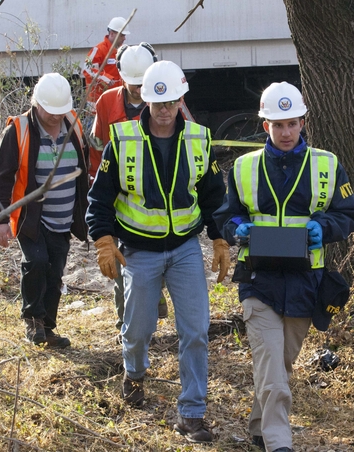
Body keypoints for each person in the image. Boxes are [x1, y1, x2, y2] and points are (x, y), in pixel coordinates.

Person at [86, 60, 230, 443]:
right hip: (139, 251)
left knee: (196, 331)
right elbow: (99, 199)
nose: (165, 111)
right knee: (137, 330)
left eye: (171, 103)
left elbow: (215, 197)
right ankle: (134, 374)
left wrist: (219, 239)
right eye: (157, 103)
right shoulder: (122, 140)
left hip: (184, 248)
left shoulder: (200, 139)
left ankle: (192, 414)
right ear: (145, 101)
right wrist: (103, 240)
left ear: (181, 100)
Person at [213, 82, 354, 452]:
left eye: (292, 124)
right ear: (265, 126)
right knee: (274, 375)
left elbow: (349, 214)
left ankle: (258, 430)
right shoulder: (244, 167)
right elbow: (225, 215)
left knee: (280, 367)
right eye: (277, 125)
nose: (285, 132)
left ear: (303, 123)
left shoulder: (327, 164)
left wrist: (323, 228)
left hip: (305, 282)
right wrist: (236, 229)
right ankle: (279, 443)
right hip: (257, 282)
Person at [88, 42, 194, 330]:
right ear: (121, 75)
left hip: (162, 198)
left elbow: (188, 142)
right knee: (125, 266)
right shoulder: (107, 102)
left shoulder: (170, 100)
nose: (136, 89)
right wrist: (99, 181)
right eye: (132, 84)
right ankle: (128, 324)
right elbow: (97, 145)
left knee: (158, 259)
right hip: (121, 196)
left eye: (141, 84)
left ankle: (152, 297)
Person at [0, 73, 90, 348]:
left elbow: (84, 171)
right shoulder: (18, 130)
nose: (57, 116)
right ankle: (32, 319)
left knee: (55, 272)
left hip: (64, 218)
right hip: (31, 218)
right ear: (37, 104)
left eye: (62, 111)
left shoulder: (73, 125)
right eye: (51, 111)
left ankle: (47, 327)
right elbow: (2, 178)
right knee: (36, 262)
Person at [83, 16, 129, 110]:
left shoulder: (123, 51)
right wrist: (107, 79)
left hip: (117, 99)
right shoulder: (98, 50)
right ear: (112, 33)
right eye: (122, 35)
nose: (124, 38)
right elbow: (87, 69)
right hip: (97, 103)